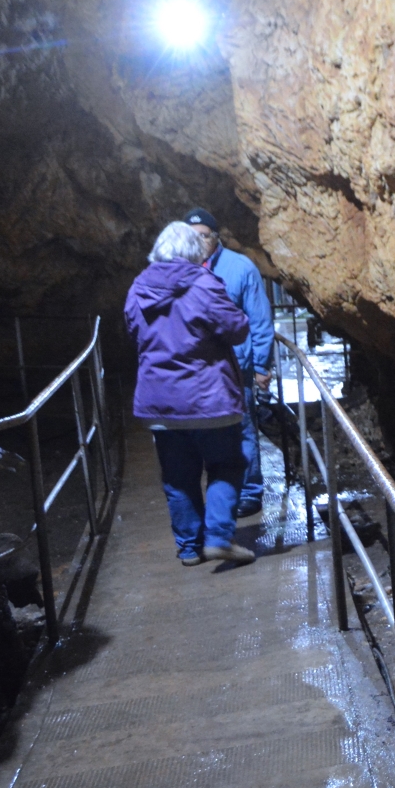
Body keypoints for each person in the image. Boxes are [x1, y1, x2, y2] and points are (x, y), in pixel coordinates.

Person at [125, 221, 257, 566]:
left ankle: (189, 549)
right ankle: (217, 538)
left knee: (178, 478)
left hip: (160, 403)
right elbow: (237, 329)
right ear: (193, 252)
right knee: (227, 464)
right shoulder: (202, 282)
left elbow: (133, 330)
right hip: (208, 398)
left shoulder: (139, 286)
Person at [185, 208, 272, 518]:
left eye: (204, 236)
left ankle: (249, 492)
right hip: (198, 370)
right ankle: (222, 490)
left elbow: (259, 319)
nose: (198, 243)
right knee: (207, 433)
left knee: (242, 430)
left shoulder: (240, 268)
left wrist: (261, 365)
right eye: (191, 237)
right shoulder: (179, 268)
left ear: (215, 237)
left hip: (236, 368)